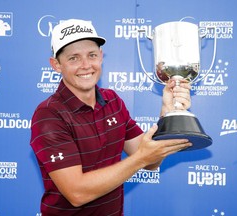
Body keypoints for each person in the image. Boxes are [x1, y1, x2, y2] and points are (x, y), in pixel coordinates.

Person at [30, 19, 192, 216]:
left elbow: (150, 161)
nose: (86, 65)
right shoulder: (48, 115)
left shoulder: (112, 100)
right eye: (73, 58)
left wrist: (167, 113)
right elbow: (77, 193)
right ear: (56, 65)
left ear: (101, 56)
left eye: (91, 55)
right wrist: (141, 158)